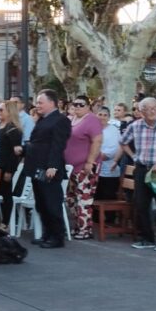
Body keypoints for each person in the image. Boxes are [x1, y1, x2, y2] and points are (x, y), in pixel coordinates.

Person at [117, 96, 156, 251]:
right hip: (142, 169)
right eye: (147, 109)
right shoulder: (135, 126)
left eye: (154, 108)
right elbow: (123, 142)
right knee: (141, 205)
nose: (151, 111)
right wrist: (134, 157)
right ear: (141, 111)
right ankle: (147, 238)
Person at [23, 89, 71, 248]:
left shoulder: (60, 120)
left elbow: (58, 146)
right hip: (37, 168)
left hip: (49, 169)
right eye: (37, 102)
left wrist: (53, 166)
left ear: (52, 103)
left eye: (40, 102)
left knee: (52, 203)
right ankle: (47, 234)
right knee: (41, 203)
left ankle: (57, 237)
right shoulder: (43, 119)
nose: (37, 105)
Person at [64, 94, 103, 240]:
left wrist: (90, 161)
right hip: (70, 167)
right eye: (75, 104)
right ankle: (77, 226)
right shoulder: (71, 119)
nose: (78, 107)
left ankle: (85, 229)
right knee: (71, 199)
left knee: (84, 198)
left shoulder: (92, 120)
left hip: (85, 167)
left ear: (88, 106)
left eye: (81, 104)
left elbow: (97, 141)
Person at [0, 101, 24, 228]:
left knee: (6, 195)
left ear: (9, 112)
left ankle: (5, 222)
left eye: (1, 110)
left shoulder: (13, 129)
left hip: (5, 166)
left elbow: (15, 153)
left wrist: (10, 170)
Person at [95, 106, 122, 202]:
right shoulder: (92, 129)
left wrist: (91, 153)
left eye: (105, 115)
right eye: (100, 114)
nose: (102, 117)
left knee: (107, 198)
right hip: (92, 172)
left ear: (109, 117)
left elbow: (106, 155)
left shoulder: (113, 131)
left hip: (108, 172)